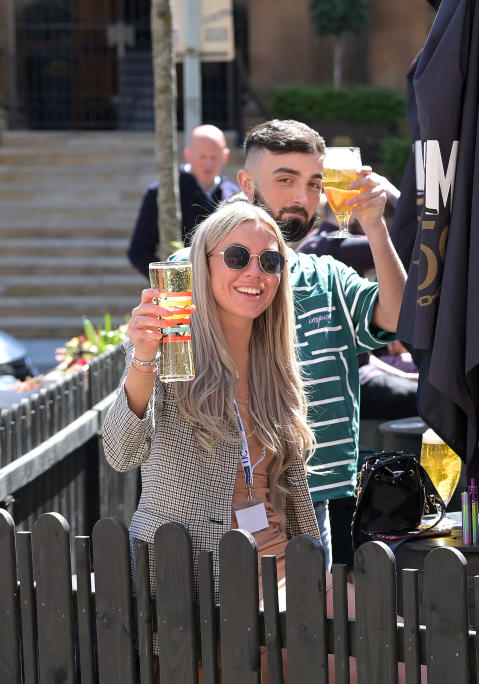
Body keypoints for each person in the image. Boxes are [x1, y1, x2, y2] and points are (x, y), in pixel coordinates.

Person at [104, 202, 363, 679]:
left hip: (287, 570)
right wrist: (143, 359)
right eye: (238, 256)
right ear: (203, 265)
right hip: (202, 586)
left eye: (270, 261)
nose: (255, 272)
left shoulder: (276, 364)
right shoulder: (171, 350)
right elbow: (121, 451)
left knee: (393, 641)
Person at [224, 119, 405, 570]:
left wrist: (375, 227)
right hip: (215, 502)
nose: (302, 198)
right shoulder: (198, 271)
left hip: (311, 499)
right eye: (285, 180)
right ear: (247, 184)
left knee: (301, 636)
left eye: (314, 184)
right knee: (222, 636)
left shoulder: (325, 275)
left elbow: (401, 318)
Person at [127, 124, 239, 278]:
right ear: (188, 155)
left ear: (225, 156)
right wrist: (170, 281)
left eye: (214, 157)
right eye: (202, 157)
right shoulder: (161, 192)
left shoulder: (235, 196)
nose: (208, 164)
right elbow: (139, 251)